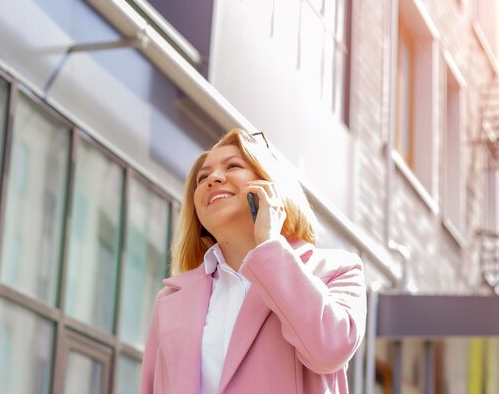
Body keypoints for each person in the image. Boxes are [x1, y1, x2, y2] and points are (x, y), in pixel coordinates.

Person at [140, 128, 367, 394]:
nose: (212, 178)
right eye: (202, 177)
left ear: (270, 186)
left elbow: (329, 350)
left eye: (233, 166)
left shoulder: (336, 270)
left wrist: (270, 246)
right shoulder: (170, 299)